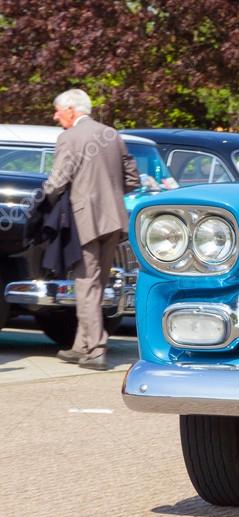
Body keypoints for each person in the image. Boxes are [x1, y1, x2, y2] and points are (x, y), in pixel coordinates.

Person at [44, 89, 140, 370]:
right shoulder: (112, 134)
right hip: (114, 220)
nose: (55, 116)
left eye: (58, 110)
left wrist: (41, 198)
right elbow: (132, 179)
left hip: (86, 221)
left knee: (86, 284)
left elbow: (58, 181)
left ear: (72, 110)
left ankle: (96, 348)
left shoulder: (69, 138)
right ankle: (80, 345)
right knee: (96, 284)